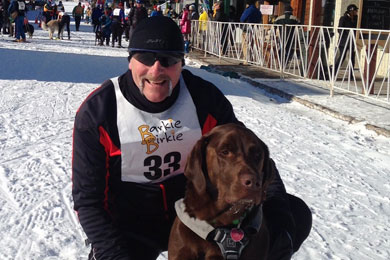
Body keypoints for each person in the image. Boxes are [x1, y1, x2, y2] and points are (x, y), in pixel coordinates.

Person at [72, 16, 312, 260]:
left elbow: (250, 156)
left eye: (168, 60)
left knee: (295, 214)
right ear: (130, 61)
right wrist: (112, 252)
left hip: (198, 218)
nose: (156, 70)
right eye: (145, 58)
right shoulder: (99, 113)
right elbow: (88, 200)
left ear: (181, 64)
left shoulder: (204, 99)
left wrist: (281, 225)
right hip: (132, 227)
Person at [334, 4, 358, 73]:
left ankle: (351, 74)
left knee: (352, 58)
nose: (356, 12)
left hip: (352, 41)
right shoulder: (343, 18)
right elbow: (340, 29)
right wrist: (346, 34)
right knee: (342, 57)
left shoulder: (356, 18)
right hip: (344, 41)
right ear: (351, 11)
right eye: (355, 10)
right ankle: (334, 72)